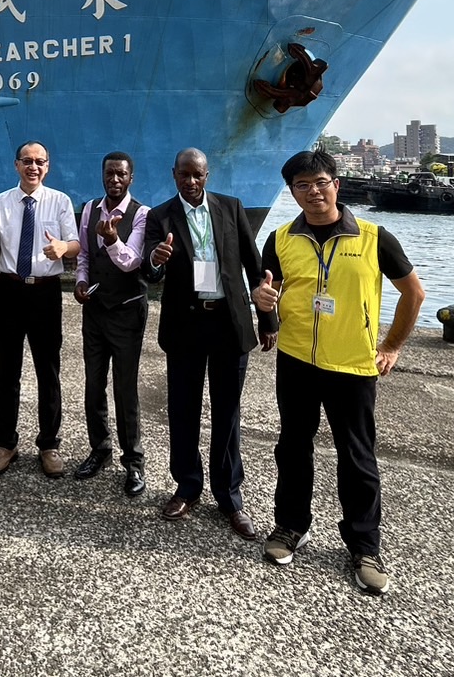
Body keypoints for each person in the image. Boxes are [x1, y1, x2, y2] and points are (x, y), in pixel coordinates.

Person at [260, 149, 425, 596]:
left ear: (337, 184)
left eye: (320, 182)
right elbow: (267, 290)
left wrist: (391, 345)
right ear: (292, 192)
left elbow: (414, 293)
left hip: (353, 364)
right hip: (296, 359)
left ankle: (365, 546)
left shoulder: (375, 237)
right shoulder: (278, 240)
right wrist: (263, 309)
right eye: (302, 185)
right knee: (292, 447)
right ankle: (291, 526)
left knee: (357, 457)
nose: (313, 192)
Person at [145, 148, 277, 540]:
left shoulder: (231, 208)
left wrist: (267, 320)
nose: (191, 182)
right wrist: (156, 257)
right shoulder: (160, 217)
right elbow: (149, 273)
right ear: (174, 175)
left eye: (197, 175)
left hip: (227, 322)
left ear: (207, 175)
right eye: (184, 175)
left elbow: (257, 269)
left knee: (227, 412)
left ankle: (229, 496)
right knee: (182, 410)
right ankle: (187, 486)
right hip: (185, 323)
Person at [0, 141, 79, 478]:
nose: (33, 167)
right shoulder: (0, 204)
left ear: (48, 166)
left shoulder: (60, 202)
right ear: (16, 165)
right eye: (27, 161)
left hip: (46, 292)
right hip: (9, 290)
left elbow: (76, 245)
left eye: (40, 162)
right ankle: (5, 444)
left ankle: (49, 444)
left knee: (48, 371)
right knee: (6, 373)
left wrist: (64, 247)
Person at [72, 152, 150, 497]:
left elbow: (133, 263)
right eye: (109, 173)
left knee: (125, 390)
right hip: (96, 311)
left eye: (121, 174)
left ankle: (133, 462)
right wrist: (80, 281)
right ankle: (100, 449)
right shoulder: (89, 210)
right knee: (93, 385)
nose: (114, 179)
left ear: (130, 178)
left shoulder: (142, 215)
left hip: (127, 312)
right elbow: (85, 256)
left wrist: (112, 240)